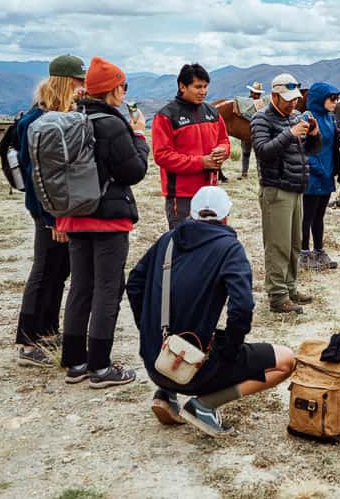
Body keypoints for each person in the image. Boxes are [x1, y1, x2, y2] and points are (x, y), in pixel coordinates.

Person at [126, 187, 296, 436]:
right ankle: (204, 405)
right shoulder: (229, 248)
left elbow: (134, 284)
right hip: (194, 368)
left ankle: (166, 394)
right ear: (226, 216)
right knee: (286, 360)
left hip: (155, 360)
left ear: (192, 214)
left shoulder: (168, 239)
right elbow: (242, 307)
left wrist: (151, 333)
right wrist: (231, 351)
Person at [57, 57, 149, 388]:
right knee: (108, 290)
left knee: (81, 287)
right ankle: (100, 366)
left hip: (75, 216)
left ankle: (75, 362)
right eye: (123, 86)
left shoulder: (73, 118)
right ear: (112, 90)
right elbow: (134, 171)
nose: (125, 92)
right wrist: (139, 135)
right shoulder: (112, 125)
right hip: (108, 219)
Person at [14, 54, 86, 367]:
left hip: (59, 210)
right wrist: (51, 219)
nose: (82, 87)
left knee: (60, 269)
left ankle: (46, 331)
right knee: (44, 270)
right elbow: (36, 178)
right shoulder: (35, 121)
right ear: (65, 82)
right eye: (78, 82)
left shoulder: (57, 114)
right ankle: (27, 343)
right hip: (46, 211)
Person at [251, 73, 321, 314]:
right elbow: (262, 151)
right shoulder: (262, 119)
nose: (293, 103)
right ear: (274, 96)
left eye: (295, 99)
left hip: (295, 188)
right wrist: (289, 133)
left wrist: (314, 135)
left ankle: (290, 287)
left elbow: (309, 151)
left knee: (293, 244)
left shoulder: (294, 118)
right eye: (288, 99)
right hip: (276, 189)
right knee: (277, 245)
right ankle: (278, 295)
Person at [152, 64, 230, 230]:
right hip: (181, 196)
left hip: (211, 192)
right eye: (197, 87)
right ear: (182, 86)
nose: (203, 91)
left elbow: (224, 139)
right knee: (184, 247)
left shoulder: (212, 112)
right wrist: (201, 163)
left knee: (213, 244)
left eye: (205, 86)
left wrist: (223, 151)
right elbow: (162, 156)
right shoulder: (166, 116)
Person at [301, 81, 340, 271]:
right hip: (312, 174)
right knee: (307, 215)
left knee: (319, 215)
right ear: (320, 98)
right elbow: (303, 148)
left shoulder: (329, 118)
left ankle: (319, 251)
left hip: (327, 172)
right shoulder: (308, 117)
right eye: (332, 98)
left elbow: (331, 143)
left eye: (337, 99)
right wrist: (317, 168)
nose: (335, 102)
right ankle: (303, 253)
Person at [241, 82, 264, 178]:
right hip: (247, 133)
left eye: (257, 93)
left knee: (259, 155)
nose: (254, 94)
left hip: (257, 133)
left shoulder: (262, 104)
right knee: (245, 153)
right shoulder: (245, 104)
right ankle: (244, 173)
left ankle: (260, 174)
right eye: (253, 92)